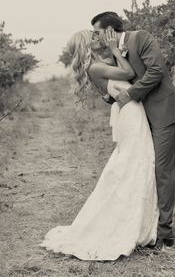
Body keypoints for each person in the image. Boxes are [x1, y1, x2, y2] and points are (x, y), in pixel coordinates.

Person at [39, 28, 158, 261]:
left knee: (136, 162)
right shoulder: (95, 67)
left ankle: (138, 219)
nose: (97, 38)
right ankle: (130, 220)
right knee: (137, 162)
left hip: (130, 111)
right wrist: (116, 49)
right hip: (131, 114)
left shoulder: (99, 63)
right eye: (92, 37)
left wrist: (116, 52)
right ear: (86, 46)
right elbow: (129, 72)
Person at [91, 12, 175, 249]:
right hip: (140, 120)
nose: (95, 36)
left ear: (111, 30)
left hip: (164, 112)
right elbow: (118, 87)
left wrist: (130, 94)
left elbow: (156, 72)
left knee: (162, 171)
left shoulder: (141, 38)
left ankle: (165, 234)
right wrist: (108, 93)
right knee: (144, 168)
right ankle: (148, 224)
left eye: (97, 31)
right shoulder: (112, 54)